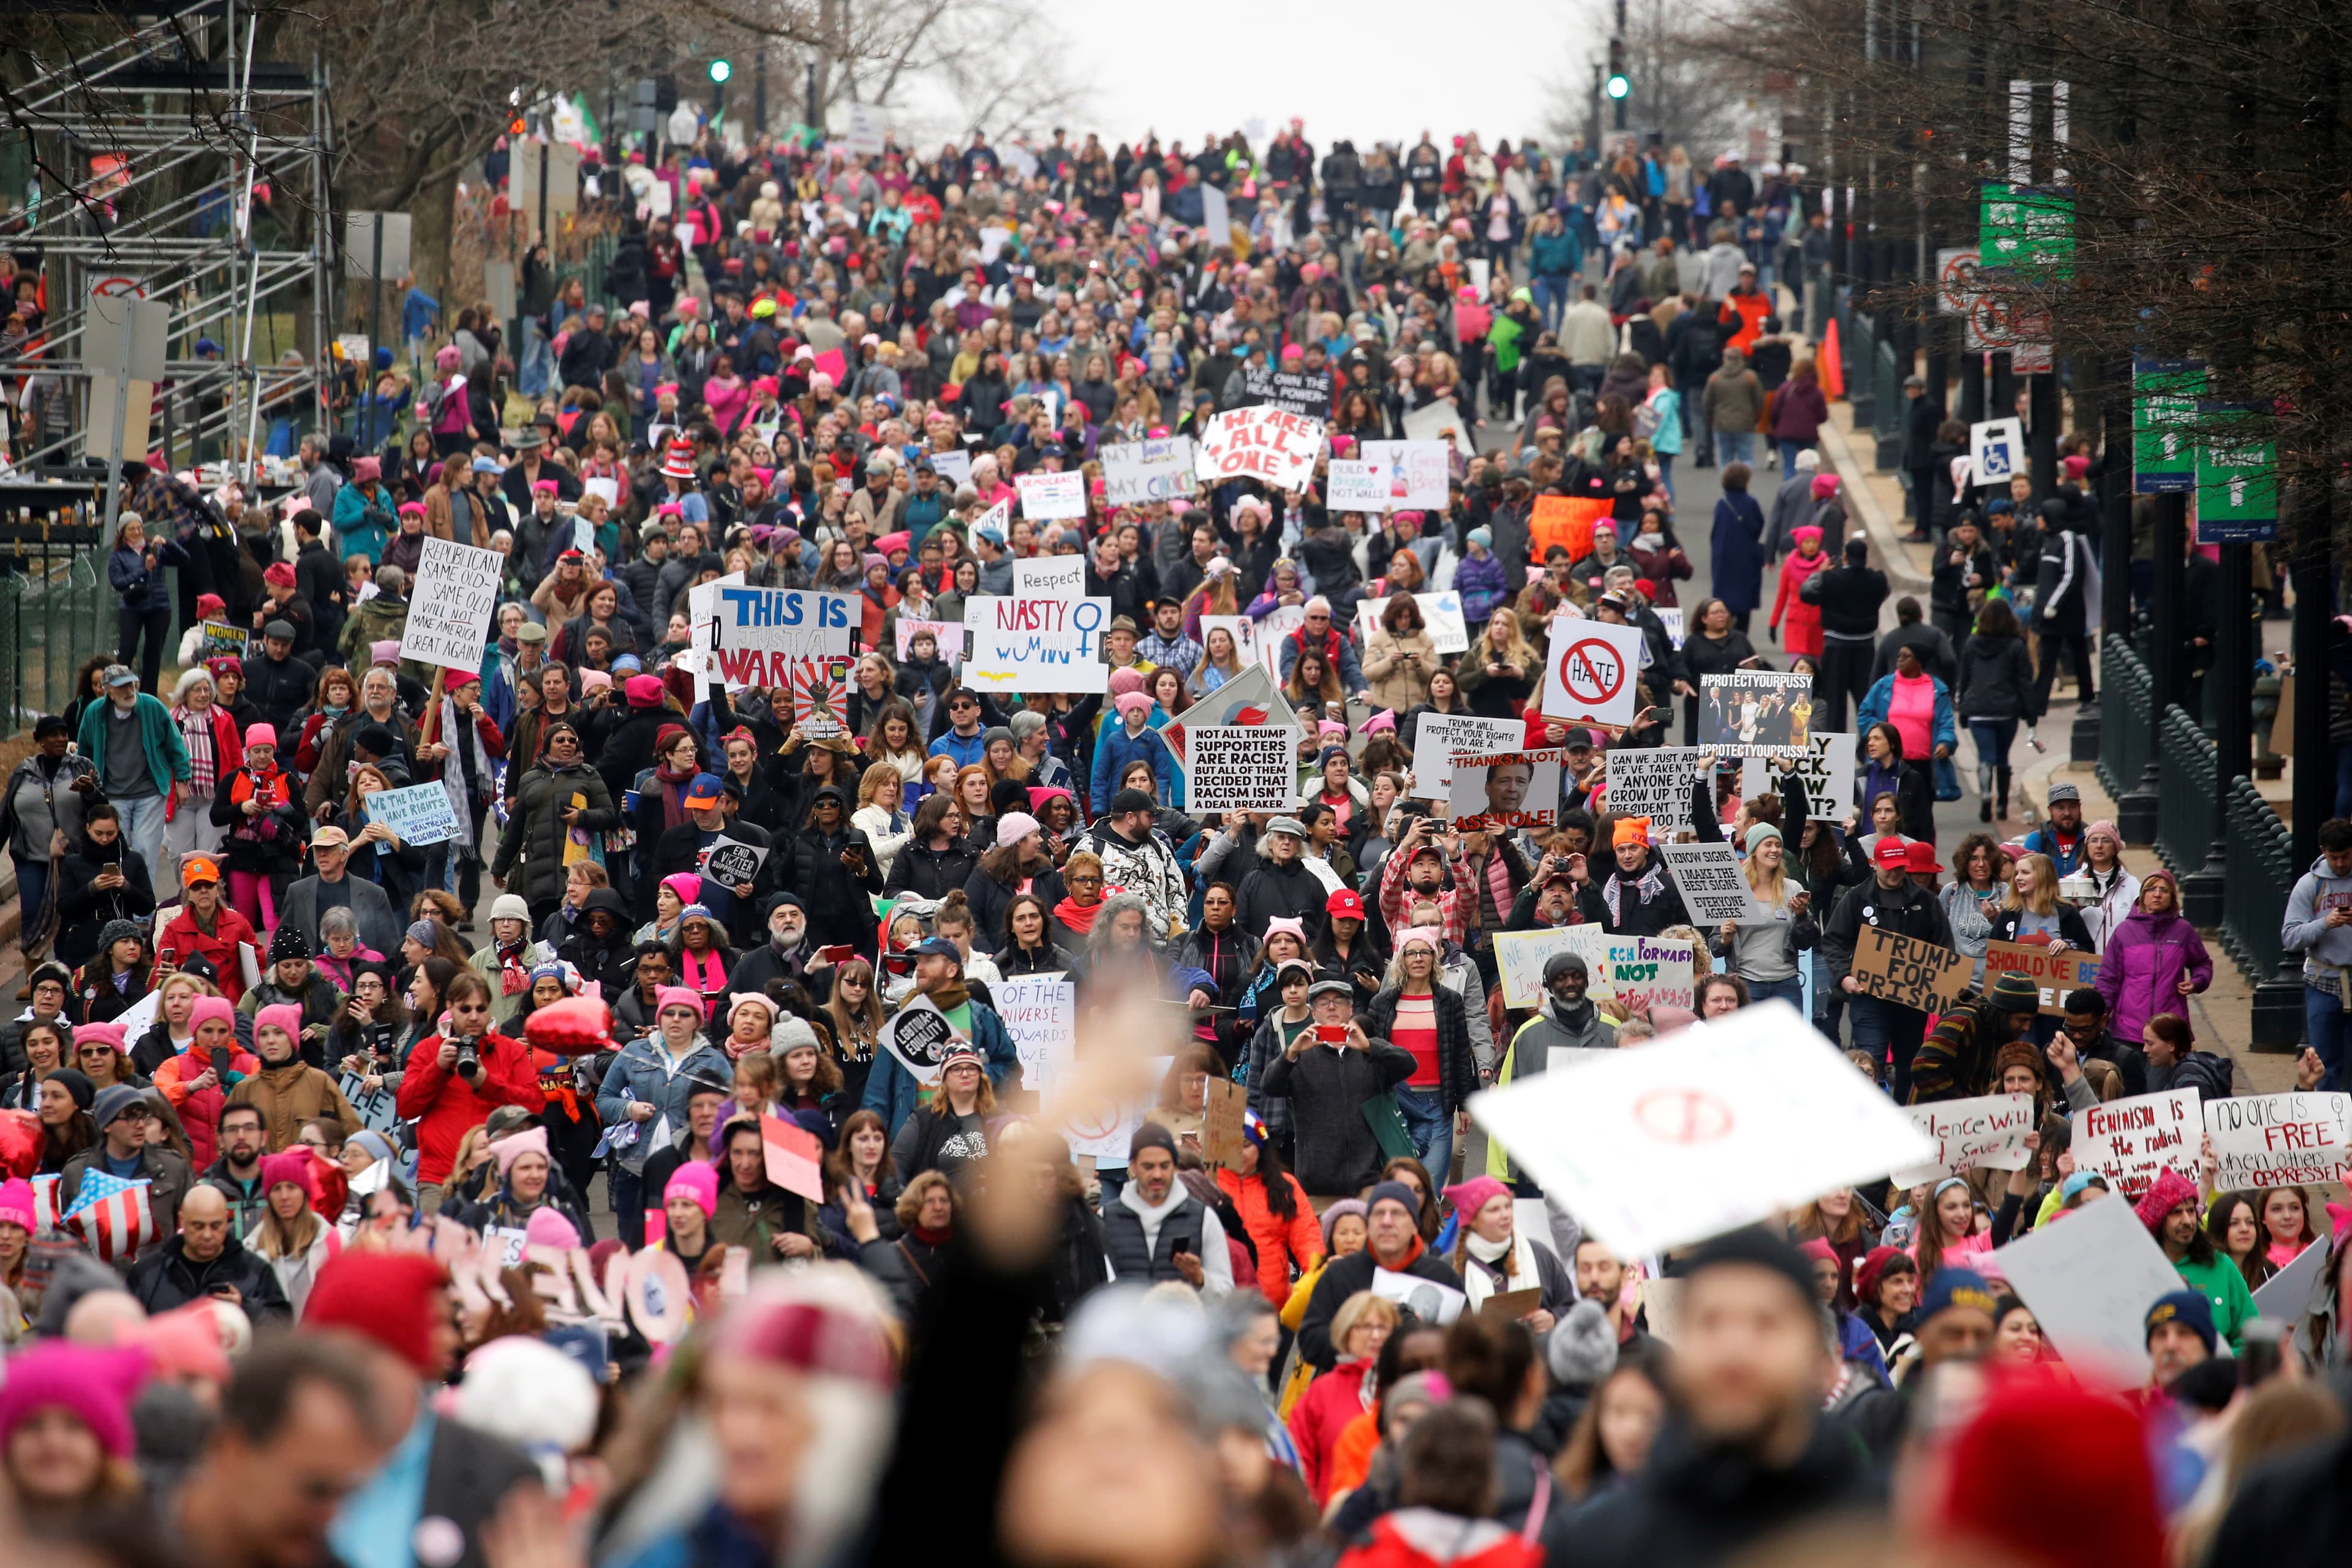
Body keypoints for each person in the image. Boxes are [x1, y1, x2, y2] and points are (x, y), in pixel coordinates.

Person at [1566, 1229, 1879, 1567]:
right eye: (1710, 1322)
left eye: (1766, 1323)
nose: (1735, 1352)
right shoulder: (1597, 1548)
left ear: (1815, 1348)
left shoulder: (1887, 1534)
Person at [391, 970, 540, 1212]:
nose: (474, 1017)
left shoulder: (511, 1051)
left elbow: (534, 1107)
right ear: (449, 1007)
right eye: (465, 1009)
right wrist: (438, 1069)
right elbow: (406, 1107)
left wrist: (486, 1084)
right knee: (438, 1247)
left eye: (481, 1009)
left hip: (498, 1176)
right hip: (440, 1177)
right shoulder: (427, 1051)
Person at [1261, 979, 1417, 1202]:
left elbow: (1409, 1065)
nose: (1332, 1007)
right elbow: (1269, 1086)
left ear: (1350, 1010)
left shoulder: (1369, 1052)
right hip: (1316, 1185)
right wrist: (1291, 1054)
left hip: (1368, 1182)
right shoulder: (1300, 1056)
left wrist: (1370, 1046)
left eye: (1338, 1002)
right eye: (1324, 1003)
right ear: (1313, 1013)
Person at [123, 1183, 292, 1319]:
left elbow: (281, 1327)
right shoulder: (148, 1274)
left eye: (216, 1226)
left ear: (227, 1221)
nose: (207, 1235)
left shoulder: (255, 1271)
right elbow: (125, 1330)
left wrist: (245, 1308)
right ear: (182, 1221)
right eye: (198, 1226)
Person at [2136, 1169, 2256, 1351]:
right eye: (2176, 1212)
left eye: (2191, 1211)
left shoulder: (2221, 1266)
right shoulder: (2141, 1272)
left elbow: (2251, 1338)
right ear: (2159, 1220)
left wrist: (2217, 1366)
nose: (2187, 1220)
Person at [2280, 816, 2352, 1091]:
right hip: (2323, 984)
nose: (2340, 864)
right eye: (2334, 857)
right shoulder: (2310, 885)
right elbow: (2290, 937)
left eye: (2346, 856)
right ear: (2323, 852)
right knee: (2325, 1066)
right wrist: (2325, 923)